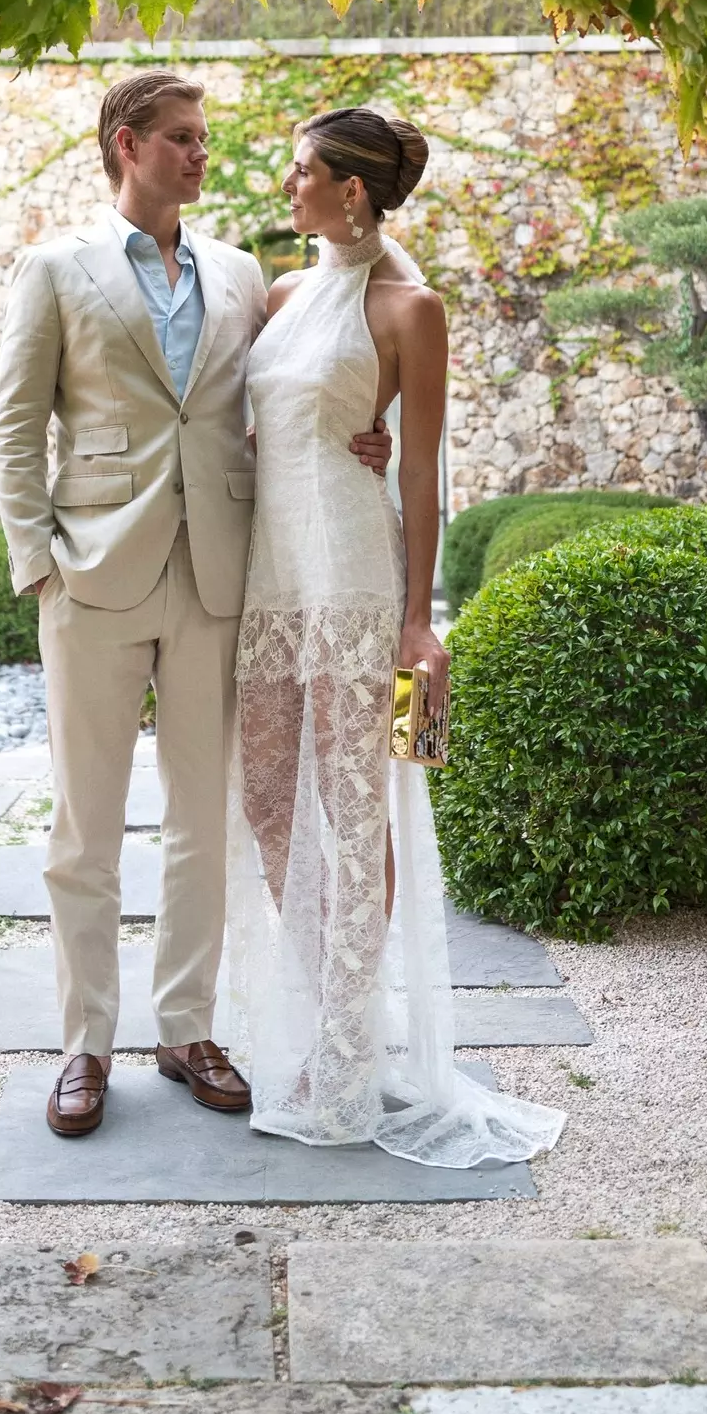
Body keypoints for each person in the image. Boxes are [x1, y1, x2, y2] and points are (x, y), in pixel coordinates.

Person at [0, 71, 391, 1137]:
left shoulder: (243, 270)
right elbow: (14, 423)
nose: (202, 155)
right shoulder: (56, 267)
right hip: (94, 575)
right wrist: (39, 562)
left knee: (202, 821)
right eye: (181, 138)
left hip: (220, 573)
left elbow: (318, 360)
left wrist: (369, 423)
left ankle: (186, 1028)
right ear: (128, 146)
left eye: (203, 138)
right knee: (84, 826)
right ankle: (85, 1044)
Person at [228, 107, 567, 1168]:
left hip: (357, 574)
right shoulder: (280, 296)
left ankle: (344, 1048)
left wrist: (419, 616)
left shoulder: (413, 310)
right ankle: (323, 1004)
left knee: (353, 802)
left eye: (304, 173)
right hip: (270, 576)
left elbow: (419, 469)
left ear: (354, 192)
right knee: (270, 800)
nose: (288, 187)